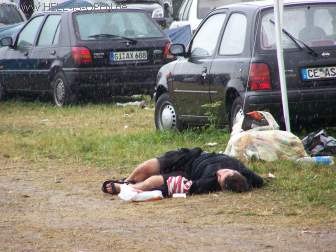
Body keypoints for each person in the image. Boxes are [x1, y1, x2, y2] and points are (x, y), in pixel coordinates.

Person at [102, 147, 264, 197]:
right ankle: (128, 180)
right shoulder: (246, 175)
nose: (219, 173)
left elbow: (182, 187)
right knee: (147, 167)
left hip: (187, 173)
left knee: (153, 180)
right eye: (225, 172)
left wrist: (152, 189)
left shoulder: (208, 183)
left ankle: (125, 189)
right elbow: (262, 182)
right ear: (236, 172)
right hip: (190, 157)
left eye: (220, 178)